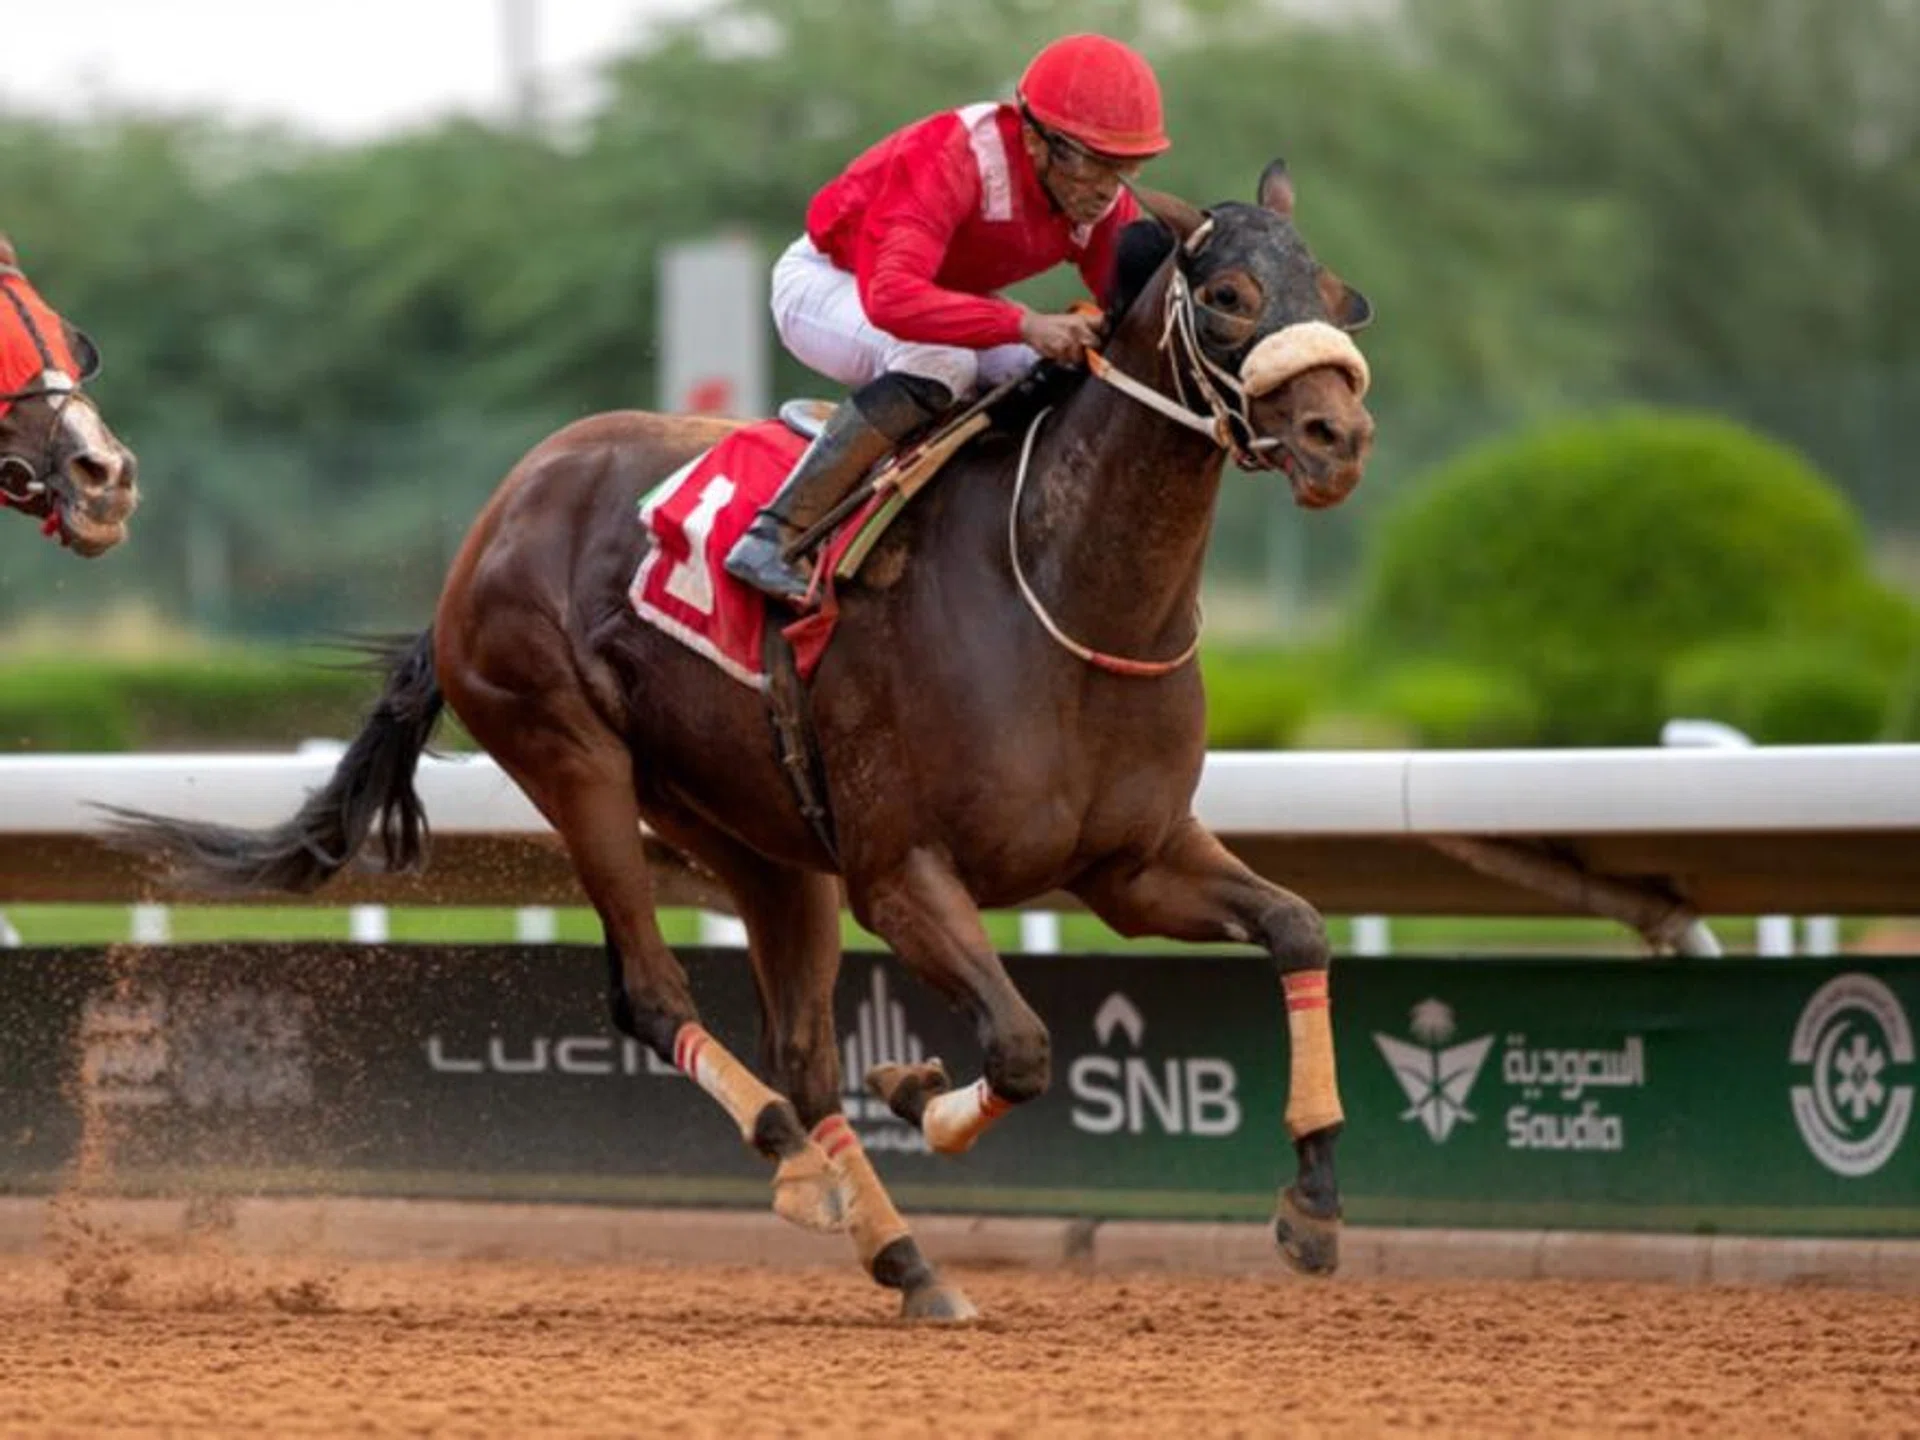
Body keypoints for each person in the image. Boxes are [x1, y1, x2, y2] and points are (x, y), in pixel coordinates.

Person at [724, 32, 1172, 604]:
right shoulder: (953, 157)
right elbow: (891, 298)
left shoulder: (1092, 196)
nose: (1108, 191)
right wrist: (1025, 324)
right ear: (1035, 139)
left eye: (1126, 168)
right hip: (829, 283)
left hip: (933, 297)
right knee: (945, 362)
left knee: (1052, 368)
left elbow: (1134, 306)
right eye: (1095, 164)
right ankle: (773, 535)